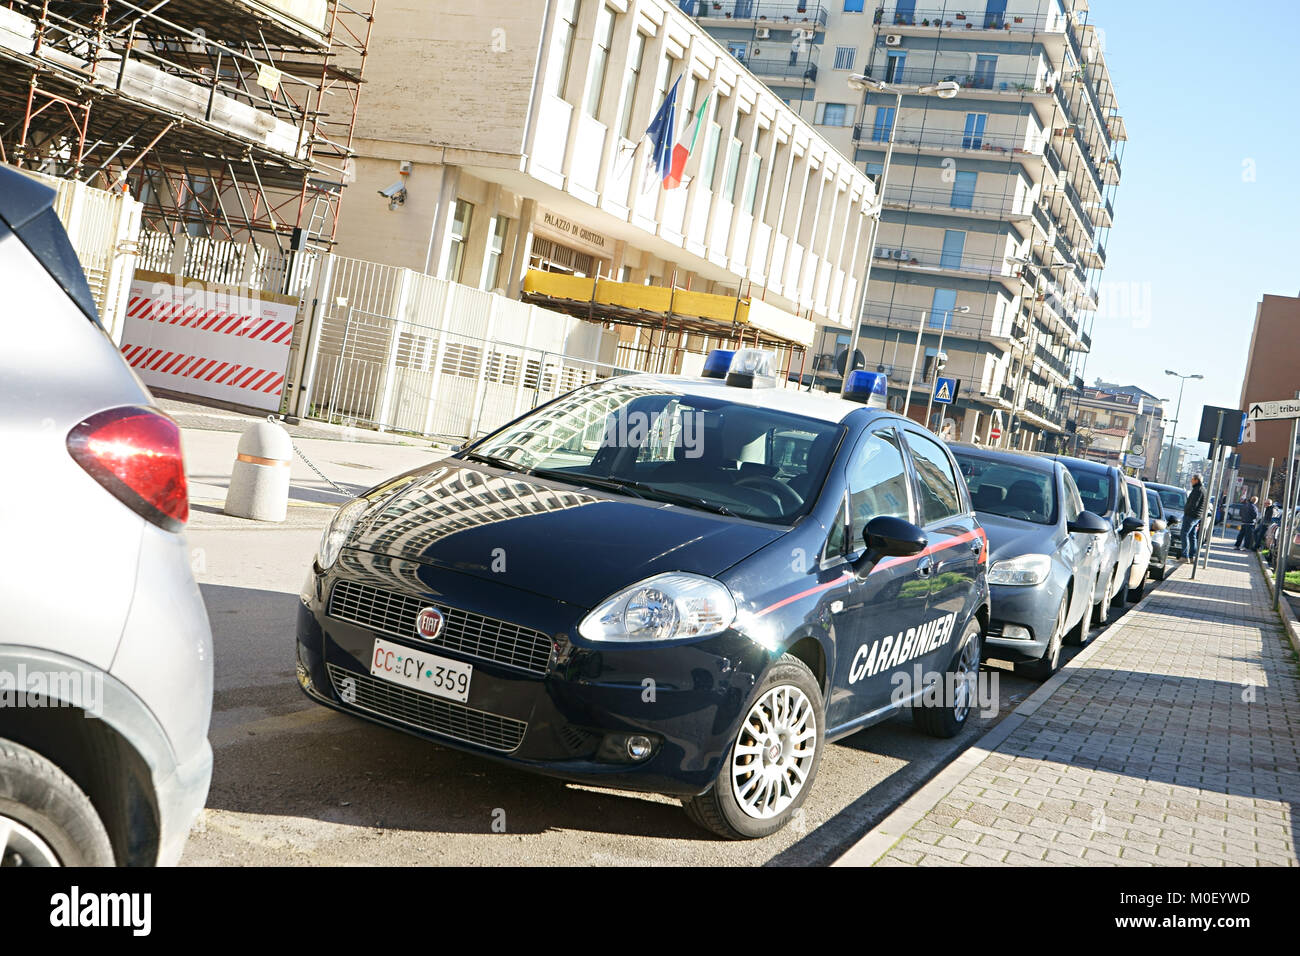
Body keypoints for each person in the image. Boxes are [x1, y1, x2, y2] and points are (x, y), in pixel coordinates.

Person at [1182, 473, 1205, 561]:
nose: (1191, 481)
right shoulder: (1202, 490)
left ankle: (1185, 556)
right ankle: (1192, 556)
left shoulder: (1197, 490)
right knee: (1192, 535)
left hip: (1191, 516)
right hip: (1197, 516)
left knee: (1184, 533)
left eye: (1192, 479)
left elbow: (1193, 504)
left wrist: (1187, 511)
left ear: (1196, 480)